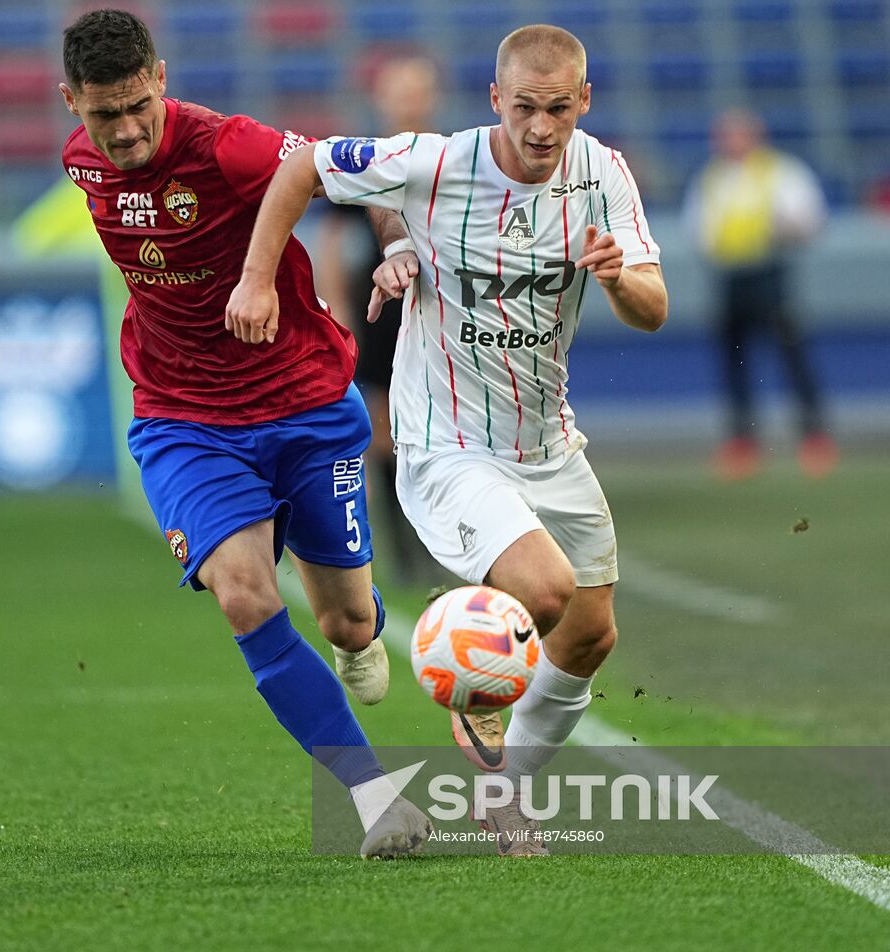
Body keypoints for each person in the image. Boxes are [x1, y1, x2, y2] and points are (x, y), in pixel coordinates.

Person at [228, 24, 668, 856]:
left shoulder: (602, 173)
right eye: (527, 108)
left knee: (590, 632)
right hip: (448, 443)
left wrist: (619, 278)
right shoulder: (436, 162)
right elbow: (302, 166)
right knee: (543, 590)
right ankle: (466, 671)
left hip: (549, 441)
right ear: (497, 100)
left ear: (584, 102)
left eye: (560, 109)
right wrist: (259, 279)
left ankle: (505, 793)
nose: (542, 128)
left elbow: (655, 307)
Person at [58, 9, 429, 857]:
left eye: (136, 107)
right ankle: (374, 797)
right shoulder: (82, 164)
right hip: (184, 419)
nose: (123, 131)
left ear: (160, 78)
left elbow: (321, 168)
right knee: (245, 592)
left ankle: (360, 627)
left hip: (301, 402)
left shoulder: (224, 144)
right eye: (102, 113)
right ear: (70, 101)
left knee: (345, 624)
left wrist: (390, 244)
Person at [313, 54, 443, 587]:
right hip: (383, 310)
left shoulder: (450, 158)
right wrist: (336, 305)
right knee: (384, 434)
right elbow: (333, 238)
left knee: (442, 430)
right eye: (399, 92)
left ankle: (445, 538)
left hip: (442, 310)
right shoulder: (368, 161)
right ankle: (405, 551)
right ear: (382, 100)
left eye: (417, 91)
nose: (409, 102)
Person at [682, 108, 836, 480]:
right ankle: (742, 442)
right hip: (731, 278)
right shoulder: (712, 178)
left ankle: (814, 438)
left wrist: (786, 229)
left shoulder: (781, 172)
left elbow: (810, 221)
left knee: (792, 358)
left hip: (770, 273)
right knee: (735, 364)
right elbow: (699, 229)